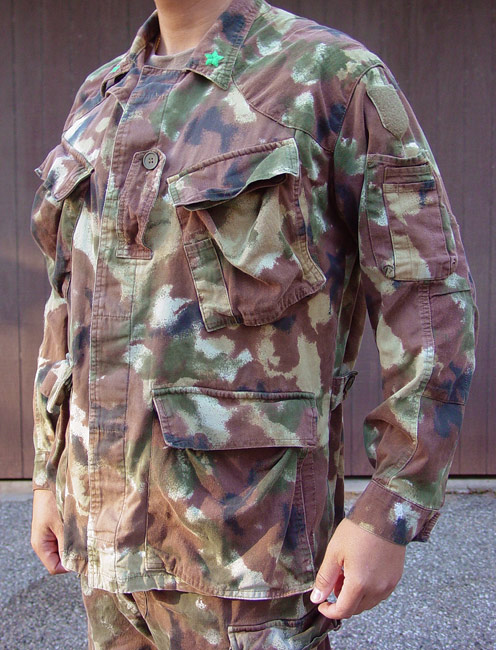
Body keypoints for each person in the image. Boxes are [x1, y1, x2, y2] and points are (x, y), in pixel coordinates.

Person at [29, 0, 477, 648]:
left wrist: (393, 503)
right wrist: (50, 475)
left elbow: (428, 293)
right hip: (105, 554)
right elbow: (66, 298)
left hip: (246, 559)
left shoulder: (329, 78)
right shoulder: (100, 96)